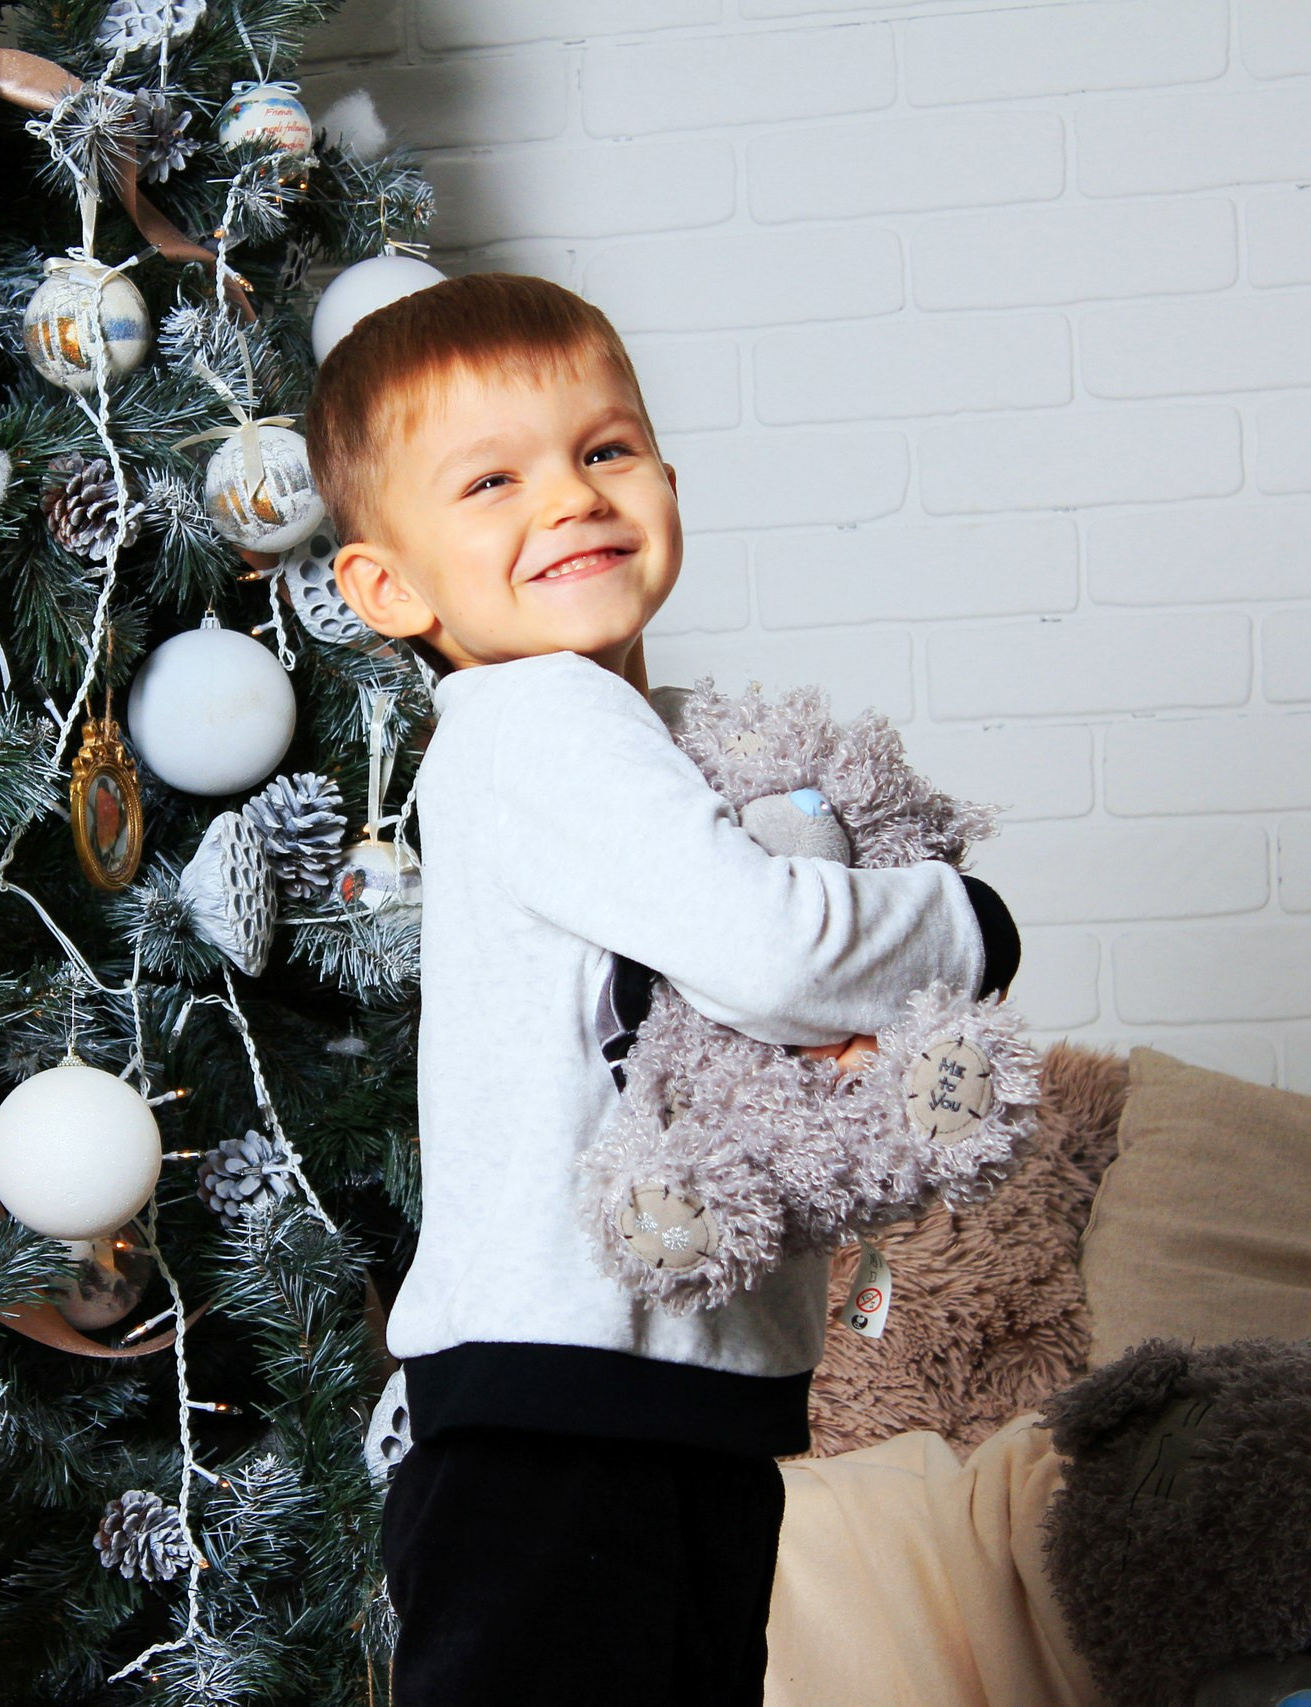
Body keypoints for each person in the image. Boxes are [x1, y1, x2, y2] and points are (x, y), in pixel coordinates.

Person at [305, 272, 1021, 1706]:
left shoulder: (660, 736)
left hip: (665, 1398)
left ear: (668, 481)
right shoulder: (539, 719)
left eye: (604, 451)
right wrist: (964, 924)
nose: (567, 499)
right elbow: (770, 955)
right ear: (390, 588)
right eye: (491, 481)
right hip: (562, 1415)